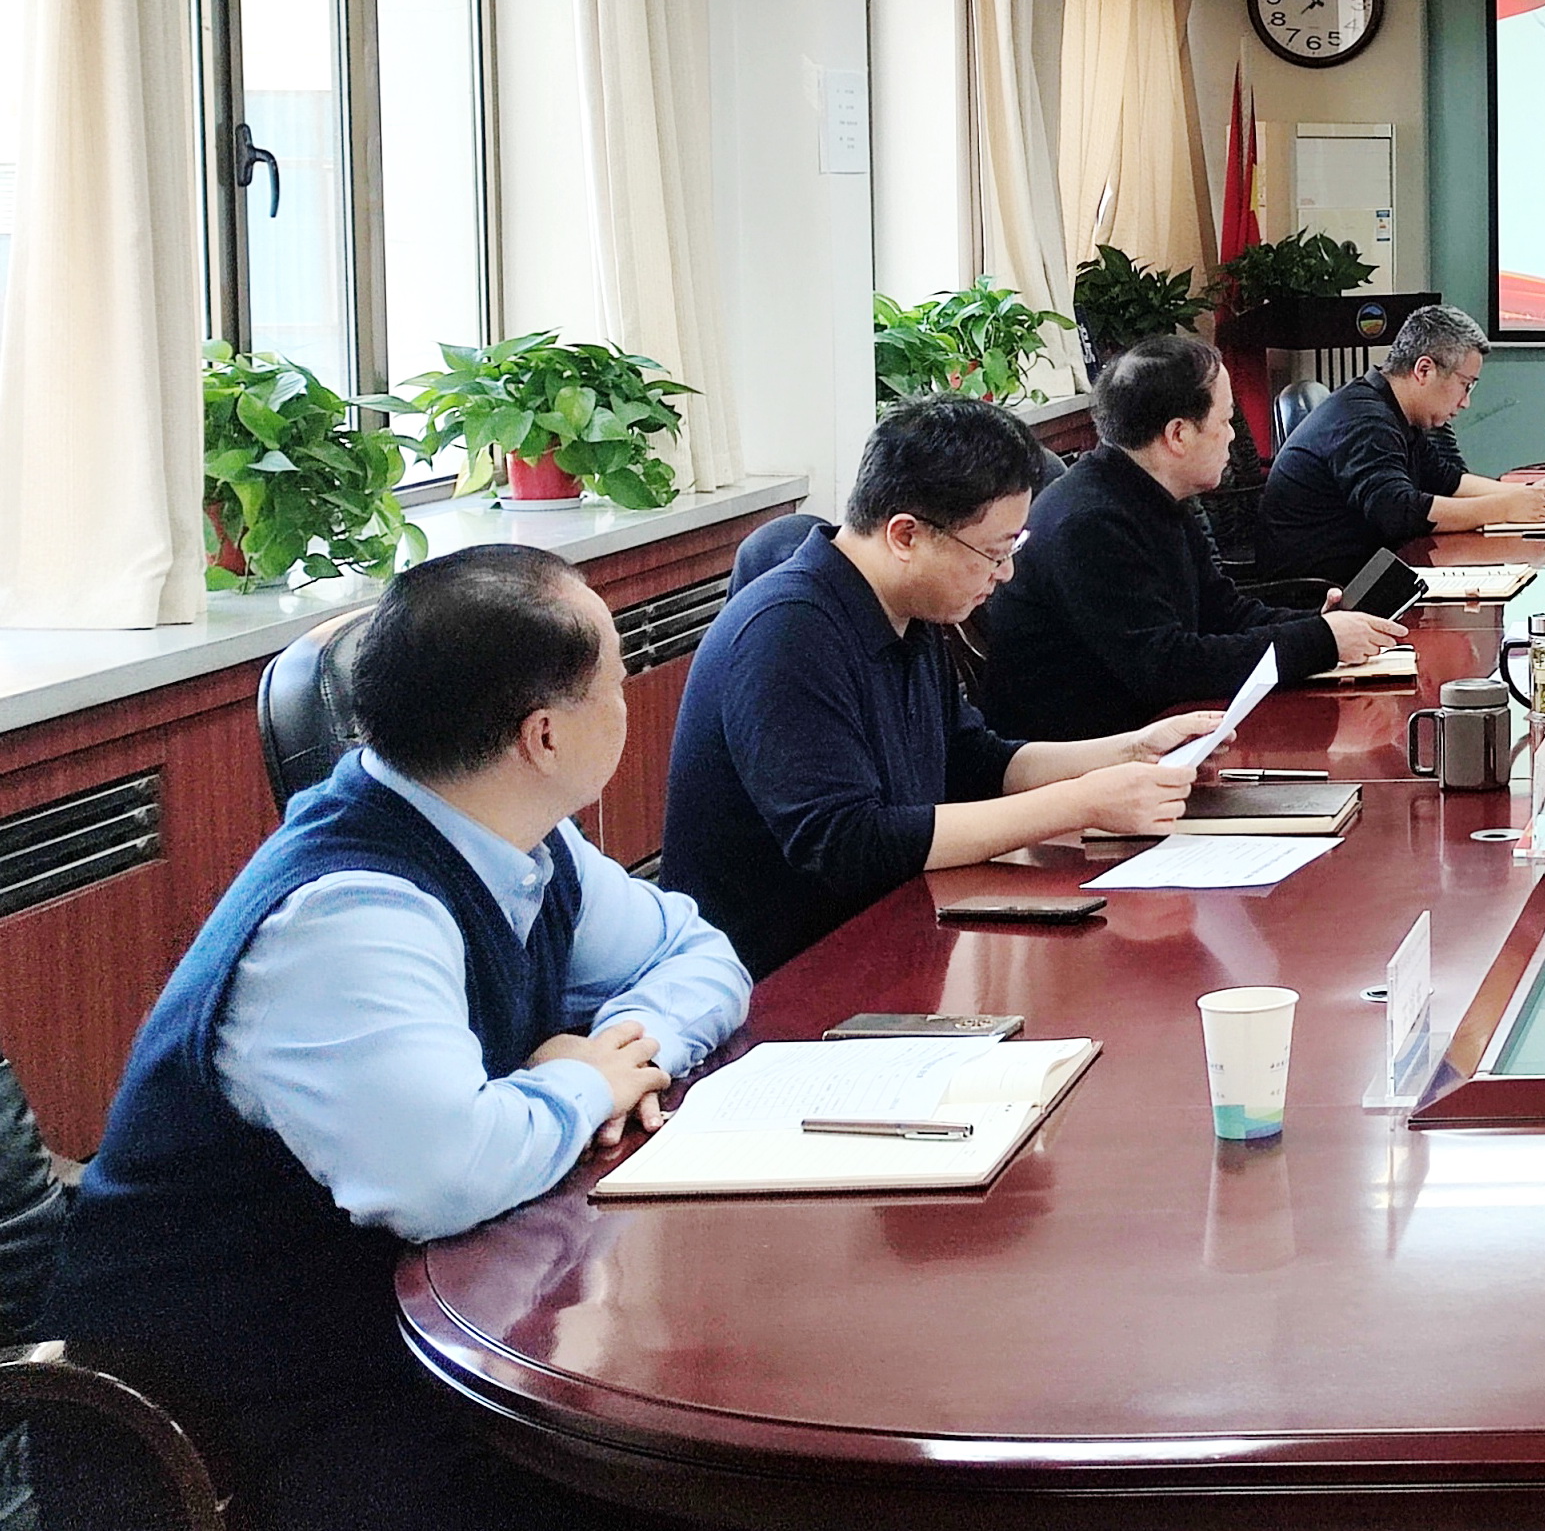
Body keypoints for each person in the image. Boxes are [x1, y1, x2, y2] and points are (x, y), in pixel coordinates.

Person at [41, 546, 750, 1530]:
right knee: (679, 1490)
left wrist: (632, 1044)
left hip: (422, 1340)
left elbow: (701, 955)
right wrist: (585, 1084)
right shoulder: (348, 915)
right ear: (545, 736)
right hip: (242, 1421)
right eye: (618, 682)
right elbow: (442, 1176)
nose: (629, 703)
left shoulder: (519, 841)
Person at [662, 399, 1217, 977]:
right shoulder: (786, 631)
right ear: (906, 535)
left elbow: (971, 760)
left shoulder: (910, 609)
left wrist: (1129, 750)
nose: (1005, 573)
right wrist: (1082, 804)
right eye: (993, 552)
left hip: (892, 937)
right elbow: (847, 843)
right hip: (781, 978)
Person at [976, 334, 1408, 741]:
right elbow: (1166, 667)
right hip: (1087, 759)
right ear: (1178, 435)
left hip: (1155, 733)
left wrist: (1320, 624)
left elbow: (1223, 613)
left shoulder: (1148, 492)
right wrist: (1320, 641)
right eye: (1225, 420)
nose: (1233, 435)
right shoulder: (1090, 523)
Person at [1256, 305, 1545, 582]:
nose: (1466, 402)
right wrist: (1503, 508)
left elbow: (1446, 480)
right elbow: (1397, 512)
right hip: (1321, 592)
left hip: (1363, 574)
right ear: (1424, 370)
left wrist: (1527, 494)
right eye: (1465, 385)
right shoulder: (1365, 420)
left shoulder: (1391, 410)